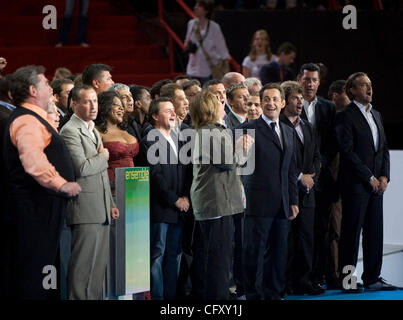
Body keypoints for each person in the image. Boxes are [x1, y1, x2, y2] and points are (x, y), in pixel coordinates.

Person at [3, 65, 81, 299]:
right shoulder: (27, 121)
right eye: (46, 84)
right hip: (34, 209)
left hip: (41, 208)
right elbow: (32, 158)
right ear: (32, 91)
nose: (50, 88)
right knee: (34, 272)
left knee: (41, 269)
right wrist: (60, 183)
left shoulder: (35, 118)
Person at [335, 72, 397, 292]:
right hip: (356, 186)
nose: (369, 89)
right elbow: (347, 152)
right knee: (351, 236)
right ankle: (347, 282)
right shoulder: (345, 116)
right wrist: (368, 177)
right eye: (363, 85)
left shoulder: (377, 115)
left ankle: (372, 278)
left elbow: (383, 150)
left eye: (370, 85)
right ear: (351, 90)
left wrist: (383, 177)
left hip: (376, 187)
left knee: (374, 233)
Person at [189, 90, 253, 300]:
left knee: (220, 257)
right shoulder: (210, 131)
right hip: (215, 203)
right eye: (217, 101)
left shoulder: (213, 130)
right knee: (218, 259)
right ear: (209, 108)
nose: (222, 104)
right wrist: (241, 147)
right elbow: (228, 162)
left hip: (220, 201)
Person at [60, 84, 119, 300]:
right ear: (74, 104)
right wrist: (103, 157)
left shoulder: (91, 128)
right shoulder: (69, 131)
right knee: (82, 269)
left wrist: (110, 203)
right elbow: (82, 169)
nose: (93, 105)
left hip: (100, 208)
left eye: (94, 100)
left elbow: (100, 176)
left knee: (97, 269)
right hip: (84, 209)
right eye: (87, 101)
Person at [242, 83, 299, 300]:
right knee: (254, 254)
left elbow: (291, 169)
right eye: (266, 99)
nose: (271, 103)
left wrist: (293, 200)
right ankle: (252, 295)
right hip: (257, 203)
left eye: (275, 99)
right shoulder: (247, 129)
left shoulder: (287, 130)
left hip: (283, 204)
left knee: (278, 255)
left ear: (283, 103)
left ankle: (274, 294)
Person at [141, 97, 190, 300]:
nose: (173, 113)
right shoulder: (150, 139)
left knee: (174, 255)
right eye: (167, 110)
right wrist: (175, 199)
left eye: (173, 110)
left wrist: (185, 196)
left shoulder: (179, 137)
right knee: (157, 256)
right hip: (161, 208)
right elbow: (155, 175)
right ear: (154, 115)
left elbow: (187, 171)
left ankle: (170, 298)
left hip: (180, 208)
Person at [279, 81, 323, 296]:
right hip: (286, 191)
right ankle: (284, 283)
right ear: (285, 101)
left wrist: (311, 177)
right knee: (286, 240)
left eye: (301, 98)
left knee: (306, 238)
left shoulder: (308, 126)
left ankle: (303, 281)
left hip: (308, 192)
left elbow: (316, 156)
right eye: (295, 98)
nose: (300, 102)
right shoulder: (277, 125)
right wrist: (299, 177)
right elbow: (279, 160)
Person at [297, 62, 338, 289]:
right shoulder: (291, 105)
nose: (310, 83)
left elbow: (332, 143)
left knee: (322, 230)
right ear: (299, 80)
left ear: (319, 82)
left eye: (314, 80)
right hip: (297, 178)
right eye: (306, 79)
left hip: (322, 179)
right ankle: (300, 278)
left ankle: (320, 275)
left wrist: (317, 168)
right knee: (301, 232)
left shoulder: (327, 107)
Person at [326, 79, 350, 288]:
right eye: (347, 95)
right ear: (335, 96)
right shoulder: (330, 119)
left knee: (346, 232)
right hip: (332, 185)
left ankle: (347, 278)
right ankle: (334, 277)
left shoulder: (349, 119)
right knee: (335, 231)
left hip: (349, 186)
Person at [95, 91, 139, 191]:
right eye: (116, 105)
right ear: (104, 107)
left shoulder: (126, 130)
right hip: (111, 186)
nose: (122, 109)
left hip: (134, 186)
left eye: (122, 106)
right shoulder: (95, 131)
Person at [184, 0, 230, 84]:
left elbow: (221, 47)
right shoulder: (191, 23)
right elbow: (187, 40)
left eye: (199, 6)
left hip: (208, 67)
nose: (195, 8)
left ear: (206, 10)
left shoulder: (214, 27)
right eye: (196, 5)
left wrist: (226, 65)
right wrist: (188, 45)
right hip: (193, 66)